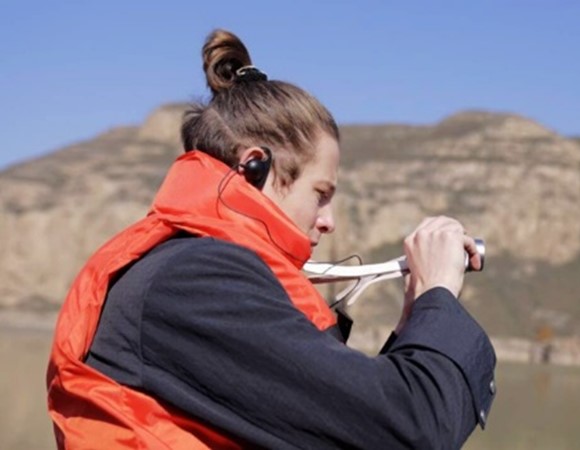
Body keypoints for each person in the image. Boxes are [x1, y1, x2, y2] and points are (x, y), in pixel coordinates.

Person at [47, 29, 496, 449]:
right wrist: (439, 295)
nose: (329, 222)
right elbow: (412, 430)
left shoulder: (192, 274)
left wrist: (415, 322)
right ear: (255, 167)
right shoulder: (196, 281)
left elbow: (349, 428)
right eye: (320, 194)